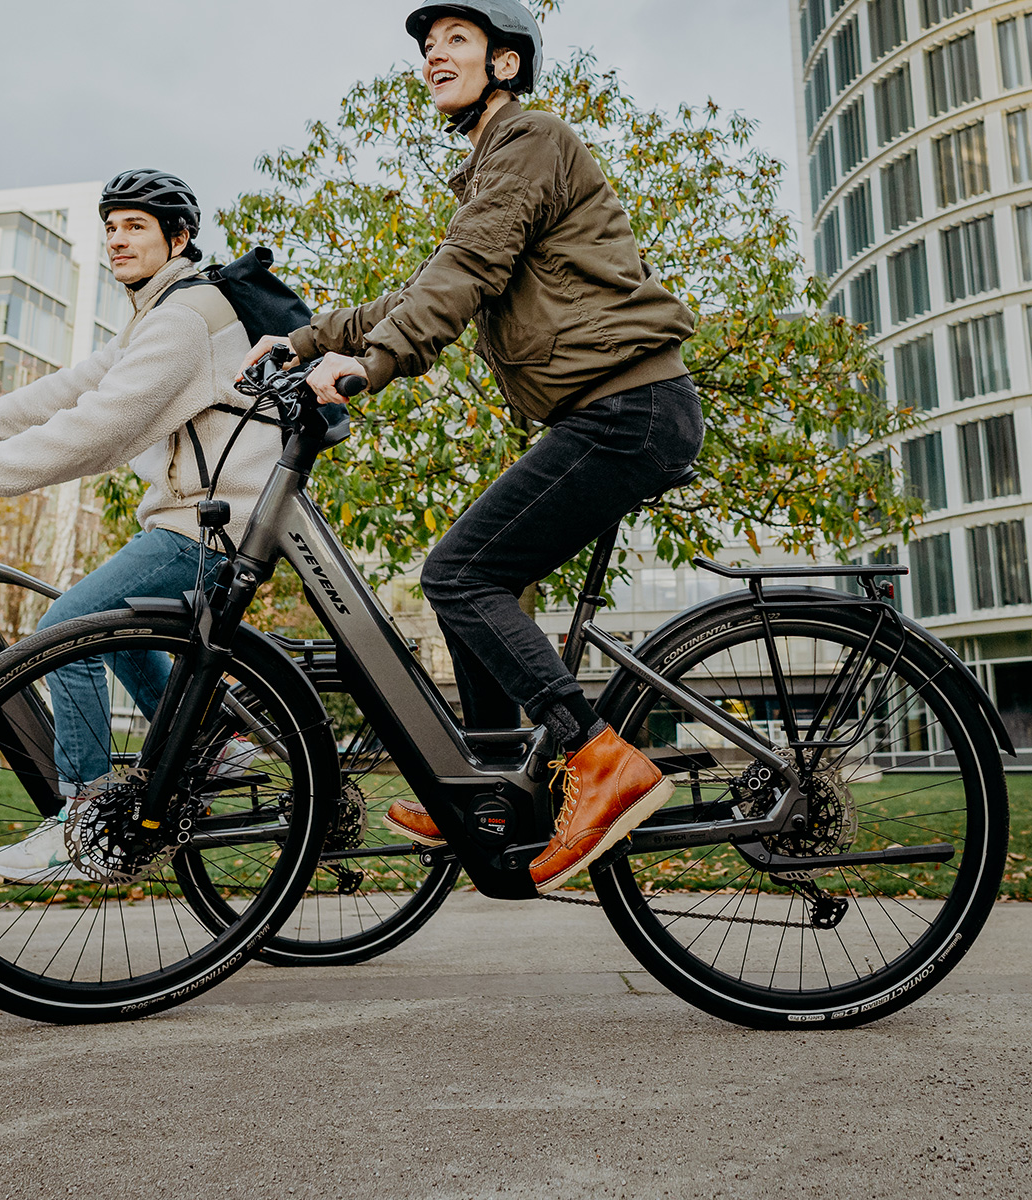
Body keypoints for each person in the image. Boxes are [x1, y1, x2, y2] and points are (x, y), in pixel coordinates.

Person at [241, 0, 705, 894]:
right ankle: (489, 792)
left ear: (505, 61)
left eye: (455, 38)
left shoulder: (531, 139)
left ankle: (597, 759)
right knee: (462, 577)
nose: (432, 55)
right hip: (604, 411)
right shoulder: (494, 165)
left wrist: (368, 368)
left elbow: (466, 272)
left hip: (628, 408)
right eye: (426, 44)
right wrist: (302, 342)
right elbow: (428, 281)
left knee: (461, 573)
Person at [0, 169, 279, 881]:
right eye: (110, 226)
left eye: (135, 225)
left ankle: (84, 818)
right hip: (194, 519)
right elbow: (76, 386)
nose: (116, 239)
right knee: (106, 623)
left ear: (180, 238)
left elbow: (104, 424)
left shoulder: (185, 318)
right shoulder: (160, 314)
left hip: (212, 527)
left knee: (67, 630)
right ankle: (216, 739)